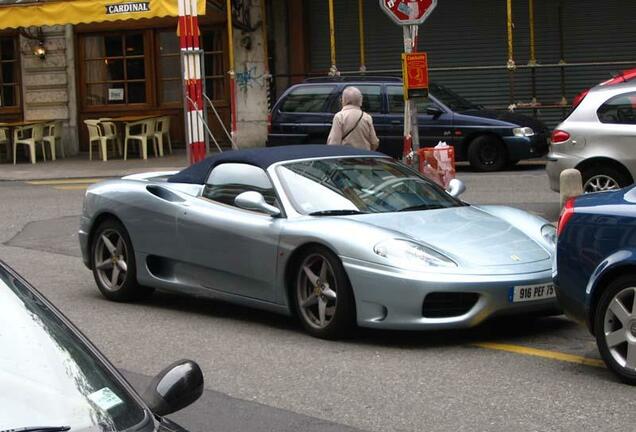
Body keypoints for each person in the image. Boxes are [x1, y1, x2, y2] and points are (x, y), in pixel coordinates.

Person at [327, 86, 380, 151]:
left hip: (346, 157)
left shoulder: (340, 117)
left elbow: (334, 143)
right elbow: (374, 142)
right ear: (360, 100)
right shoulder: (367, 117)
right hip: (364, 157)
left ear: (344, 100)